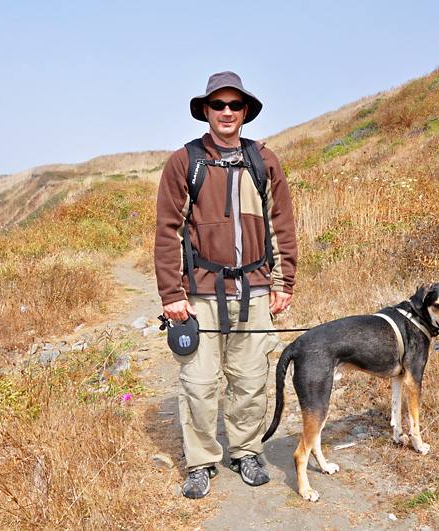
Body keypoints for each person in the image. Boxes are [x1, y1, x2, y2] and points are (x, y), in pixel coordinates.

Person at [154, 71, 297, 499]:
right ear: (207, 110)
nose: (227, 112)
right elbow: (167, 231)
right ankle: (200, 462)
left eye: (235, 105)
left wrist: (283, 280)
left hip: (255, 290)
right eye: (219, 105)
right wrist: (171, 295)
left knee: (250, 381)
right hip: (199, 295)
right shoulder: (185, 161)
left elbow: (282, 225)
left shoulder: (264, 160)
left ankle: (246, 452)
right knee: (198, 385)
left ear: (246, 111)